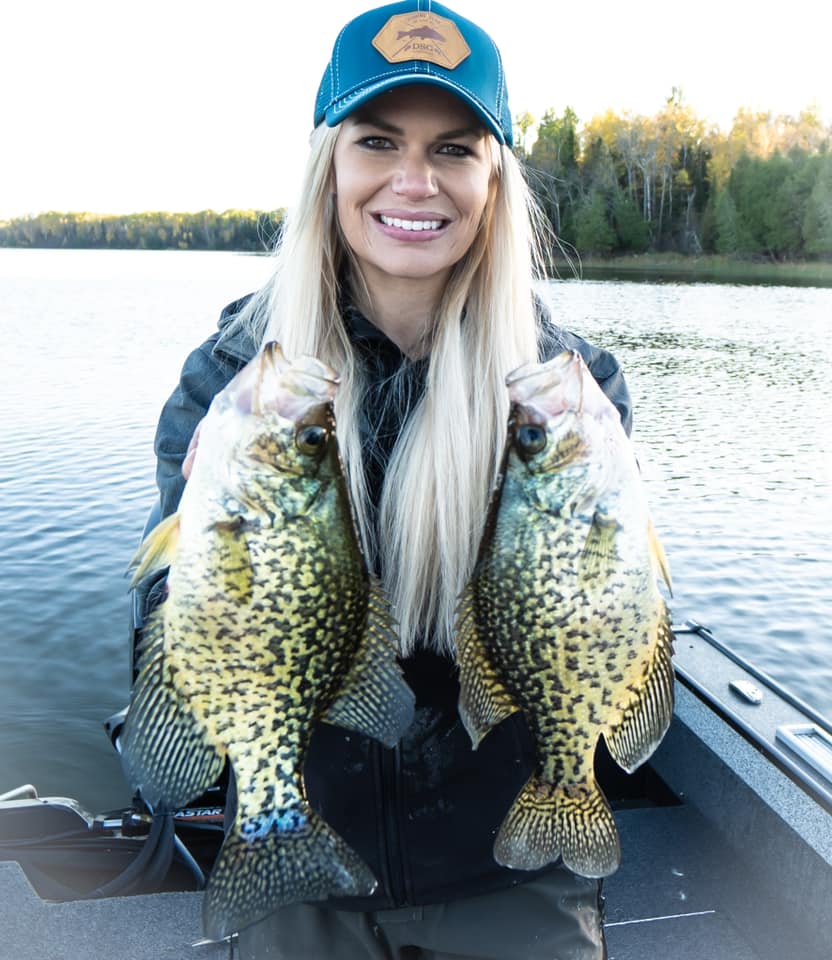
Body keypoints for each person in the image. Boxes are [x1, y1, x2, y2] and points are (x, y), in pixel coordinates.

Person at [147, 2, 632, 957]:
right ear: (329, 161)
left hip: (515, 865)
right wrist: (191, 562)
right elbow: (171, 629)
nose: (415, 180)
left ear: (495, 181)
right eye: (378, 139)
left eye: (455, 148)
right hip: (302, 873)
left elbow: (602, 619)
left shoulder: (563, 393)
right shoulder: (233, 381)